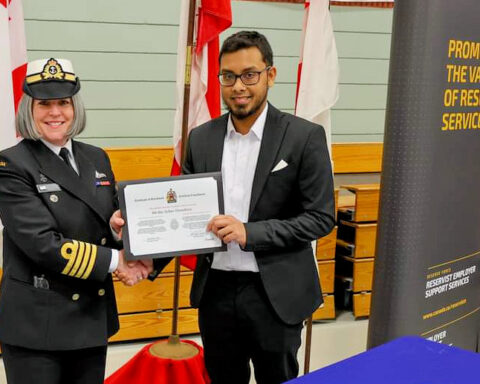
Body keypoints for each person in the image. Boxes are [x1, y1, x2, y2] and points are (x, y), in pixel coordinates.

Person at [114, 30, 335, 384]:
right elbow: (183, 217)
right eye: (228, 76)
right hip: (215, 291)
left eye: (250, 75)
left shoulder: (303, 136)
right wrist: (148, 257)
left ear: (270, 75)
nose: (238, 86)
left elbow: (321, 217)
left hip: (275, 293)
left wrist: (251, 232)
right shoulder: (201, 138)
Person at [0, 58, 148, 384]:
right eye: (45, 104)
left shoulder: (96, 157)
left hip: (90, 319)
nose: (56, 113)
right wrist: (118, 261)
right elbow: (43, 244)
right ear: (29, 109)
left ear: (75, 106)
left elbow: (104, 220)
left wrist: (116, 227)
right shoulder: (11, 164)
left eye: (64, 102)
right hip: (38, 327)